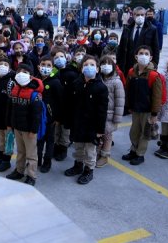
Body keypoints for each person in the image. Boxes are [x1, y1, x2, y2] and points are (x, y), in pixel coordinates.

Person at [63, 55, 108, 184]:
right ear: (81, 68)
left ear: (98, 69)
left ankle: (89, 170)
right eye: (86, 65)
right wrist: (69, 122)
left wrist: (100, 130)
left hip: (92, 126)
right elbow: (70, 105)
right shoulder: (76, 84)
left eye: (92, 65)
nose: (89, 67)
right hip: (78, 123)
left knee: (90, 150)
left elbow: (102, 111)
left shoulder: (101, 88)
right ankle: (78, 165)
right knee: (78, 147)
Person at [121, 45, 164, 165]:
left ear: (150, 58)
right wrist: (128, 105)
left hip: (147, 110)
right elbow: (128, 90)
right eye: (141, 53)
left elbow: (157, 97)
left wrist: (154, 113)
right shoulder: (131, 72)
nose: (143, 56)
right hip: (135, 109)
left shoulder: (154, 76)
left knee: (145, 134)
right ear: (136, 56)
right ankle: (133, 150)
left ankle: (140, 154)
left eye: (146, 54)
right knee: (134, 132)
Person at [5, 63, 45, 186]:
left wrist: (33, 131)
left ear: (31, 76)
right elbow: (10, 109)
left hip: (29, 130)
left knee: (31, 154)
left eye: (25, 72)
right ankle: (19, 171)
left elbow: (37, 115)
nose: (21, 74)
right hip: (17, 127)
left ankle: (31, 176)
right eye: (19, 72)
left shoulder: (34, 94)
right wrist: (9, 124)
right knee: (21, 151)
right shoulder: (14, 90)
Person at [96, 55, 125, 168]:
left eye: (109, 64)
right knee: (99, 135)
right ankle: (98, 152)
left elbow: (120, 101)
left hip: (110, 114)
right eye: (103, 64)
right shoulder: (98, 79)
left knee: (107, 136)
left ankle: (105, 156)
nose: (106, 66)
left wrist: (117, 118)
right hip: (99, 113)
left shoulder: (117, 82)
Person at [37, 55, 63, 173]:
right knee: (39, 139)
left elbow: (60, 101)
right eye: (43, 65)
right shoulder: (36, 80)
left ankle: (47, 161)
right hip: (37, 117)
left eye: (49, 65)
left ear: (53, 68)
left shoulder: (55, 82)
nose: (45, 68)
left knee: (49, 140)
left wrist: (57, 117)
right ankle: (37, 159)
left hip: (50, 118)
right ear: (39, 67)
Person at [53, 49, 79, 161]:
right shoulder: (53, 73)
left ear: (66, 57)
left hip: (67, 107)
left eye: (61, 56)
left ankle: (63, 148)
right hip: (55, 107)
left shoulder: (71, 73)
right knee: (55, 129)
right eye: (56, 57)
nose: (59, 59)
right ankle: (55, 146)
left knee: (65, 130)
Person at [117, 6, 160, 73]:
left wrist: (154, 64)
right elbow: (121, 46)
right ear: (133, 15)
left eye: (142, 15)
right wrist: (119, 62)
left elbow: (156, 48)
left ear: (145, 15)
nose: (140, 16)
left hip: (144, 64)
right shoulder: (127, 29)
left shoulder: (152, 29)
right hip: (128, 64)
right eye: (137, 15)